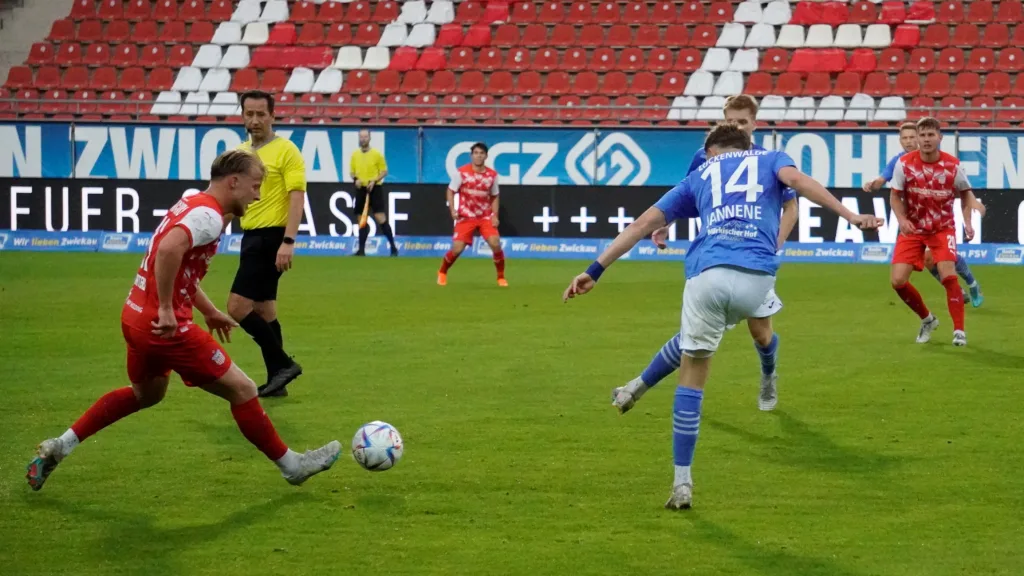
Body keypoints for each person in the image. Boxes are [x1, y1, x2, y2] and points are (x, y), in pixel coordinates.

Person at [562, 124, 882, 509]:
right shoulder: (771, 158)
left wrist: (594, 271)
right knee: (716, 334)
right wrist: (850, 216)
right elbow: (797, 181)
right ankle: (636, 386)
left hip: (709, 273)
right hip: (758, 277)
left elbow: (641, 225)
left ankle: (682, 483)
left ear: (711, 150)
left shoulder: (701, 173)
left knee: (694, 370)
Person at [25, 150, 341, 492]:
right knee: (244, 389)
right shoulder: (208, 215)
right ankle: (292, 466)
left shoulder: (193, 200)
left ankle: (60, 446)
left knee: (147, 394)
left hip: (134, 315)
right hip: (164, 326)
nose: (258, 195)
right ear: (233, 182)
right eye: (255, 185)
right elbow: (168, 250)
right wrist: (165, 308)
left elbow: (181, 264)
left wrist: (206, 310)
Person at [615, 95, 798, 415]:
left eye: (742, 121)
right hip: (714, 254)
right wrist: (667, 223)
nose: (736, 126)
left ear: (755, 123)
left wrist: (776, 241)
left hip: (755, 255)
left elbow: (790, 206)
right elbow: (686, 194)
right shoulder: (706, 157)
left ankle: (768, 374)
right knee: (695, 330)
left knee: (761, 333)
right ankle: (638, 385)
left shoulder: (770, 160)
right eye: (730, 121)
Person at [230, 90, 305, 398]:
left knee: (236, 307)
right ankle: (278, 379)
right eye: (250, 113)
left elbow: (296, 195)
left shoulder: (286, 150)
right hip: (251, 235)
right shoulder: (240, 153)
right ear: (242, 115)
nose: (255, 120)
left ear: (273, 116)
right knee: (265, 310)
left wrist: (288, 240)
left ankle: (283, 364)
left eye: (261, 114)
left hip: (271, 236)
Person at [863, 121, 984, 308]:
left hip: (939, 221)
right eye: (905, 138)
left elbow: (965, 192)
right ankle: (956, 290)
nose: (909, 141)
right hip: (915, 222)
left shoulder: (944, 162)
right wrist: (872, 184)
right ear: (900, 141)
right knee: (929, 260)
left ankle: (972, 283)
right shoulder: (899, 162)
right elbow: (883, 180)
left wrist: (968, 222)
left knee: (945, 258)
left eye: (912, 137)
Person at [888, 117, 981, 347]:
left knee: (948, 274)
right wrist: (901, 219)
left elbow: (965, 194)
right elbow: (894, 196)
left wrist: (968, 223)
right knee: (898, 281)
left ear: (940, 137)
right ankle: (927, 319)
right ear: (917, 138)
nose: (926, 139)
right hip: (913, 228)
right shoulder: (904, 164)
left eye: (931, 135)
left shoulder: (953, 166)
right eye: (923, 135)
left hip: (942, 228)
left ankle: (959, 331)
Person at [437, 142, 507, 287]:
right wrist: (452, 210)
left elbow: (494, 196)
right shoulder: (462, 172)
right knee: (457, 248)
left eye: (481, 153)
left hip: (484, 216)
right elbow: (450, 191)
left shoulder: (492, 175)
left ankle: (500, 277)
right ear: (471, 156)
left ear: (486, 156)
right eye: (475, 153)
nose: (478, 156)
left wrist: (495, 215)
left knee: (496, 244)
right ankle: (442, 272)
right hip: (466, 216)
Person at [350, 128, 398, 257]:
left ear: (369, 138)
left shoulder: (377, 154)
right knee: (361, 219)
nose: (363, 139)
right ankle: (361, 250)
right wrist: (356, 180)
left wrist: (374, 181)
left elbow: (384, 171)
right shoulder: (355, 155)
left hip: (374, 188)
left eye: (365, 137)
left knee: (380, 217)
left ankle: (393, 247)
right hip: (361, 189)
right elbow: (352, 172)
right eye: (361, 137)